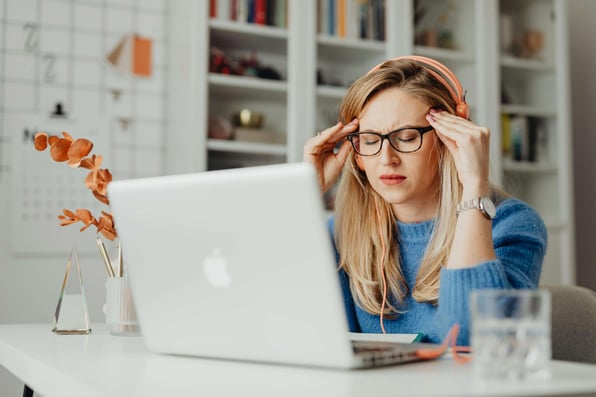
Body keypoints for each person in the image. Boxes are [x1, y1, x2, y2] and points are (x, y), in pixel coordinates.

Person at [303, 56, 547, 346]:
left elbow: (472, 340)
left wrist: (474, 188)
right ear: (356, 154)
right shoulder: (342, 231)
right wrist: (304, 195)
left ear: (449, 139)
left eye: (406, 138)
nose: (386, 159)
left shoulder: (511, 224)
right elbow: (303, 332)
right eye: (369, 141)